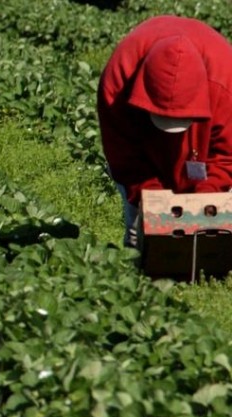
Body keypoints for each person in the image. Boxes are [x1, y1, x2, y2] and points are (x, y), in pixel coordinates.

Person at [99, 15, 232, 248]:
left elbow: (226, 155)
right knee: (140, 233)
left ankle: (210, 263)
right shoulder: (117, 82)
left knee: (215, 227)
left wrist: (204, 203)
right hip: (144, 152)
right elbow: (125, 159)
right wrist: (153, 204)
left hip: (203, 156)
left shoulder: (226, 82)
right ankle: (139, 267)